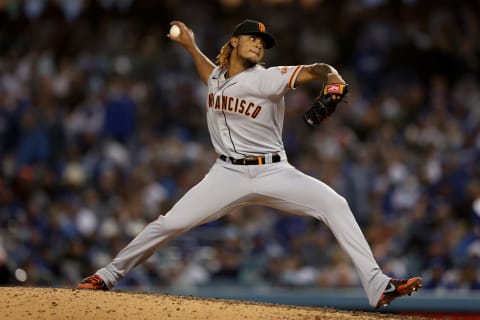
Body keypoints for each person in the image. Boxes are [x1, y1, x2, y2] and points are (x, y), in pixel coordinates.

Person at [78, 19, 422, 309]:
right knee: (169, 224)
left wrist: (331, 76)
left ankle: (378, 286)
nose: (259, 44)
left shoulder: (267, 77)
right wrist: (189, 45)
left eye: (263, 41)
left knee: (335, 203)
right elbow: (208, 73)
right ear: (234, 42)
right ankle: (106, 276)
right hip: (226, 174)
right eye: (252, 38)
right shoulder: (216, 78)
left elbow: (316, 69)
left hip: (273, 171)